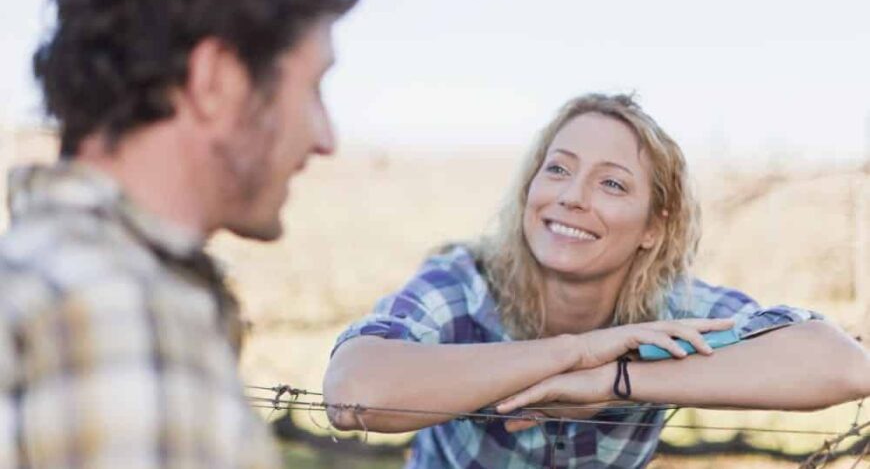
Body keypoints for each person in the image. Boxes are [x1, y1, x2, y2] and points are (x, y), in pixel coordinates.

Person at [324, 93, 870, 468]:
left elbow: (842, 365)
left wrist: (612, 381)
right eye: (558, 169)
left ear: (654, 228)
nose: (572, 197)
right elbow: (353, 393)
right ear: (530, 187)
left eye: (611, 183)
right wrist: (576, 352)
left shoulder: (672, 305)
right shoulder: (463, 284)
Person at [0, 0, 357, 467]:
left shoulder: (39, 275)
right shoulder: (116, 320)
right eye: (313, 87)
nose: (326, 138)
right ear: (215, 80)